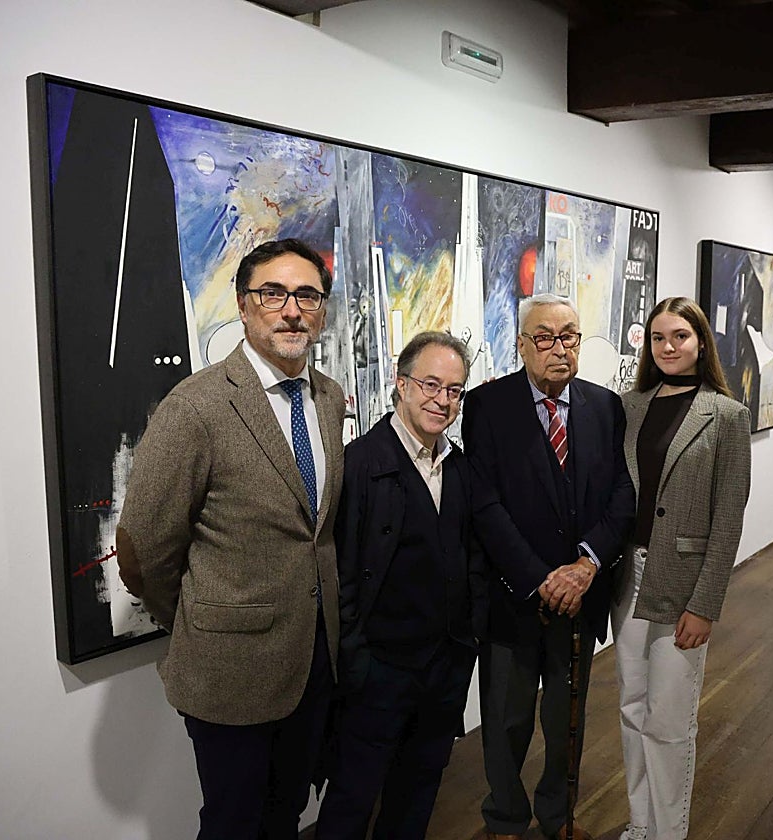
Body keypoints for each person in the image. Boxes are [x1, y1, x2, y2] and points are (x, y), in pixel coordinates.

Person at [116, 238, 345, 840]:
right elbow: (145, 549)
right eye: (273, 294)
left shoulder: (328, 398)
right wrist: (201, 616)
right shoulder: (196, 406)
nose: (291, 310)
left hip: (315, 658)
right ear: (245, 307)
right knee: (232, 822)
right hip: (230, 669)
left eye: (307, 296)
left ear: (321, 310)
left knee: (288, 810)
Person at [463, 294, 636, 840]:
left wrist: (585, 566)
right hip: (514, 597)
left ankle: (559, 816)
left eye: (569, 336)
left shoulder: (606, 407)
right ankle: (506, 820)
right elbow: (485, 506)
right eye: (544, 336)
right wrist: (541, 578)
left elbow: (622, 497)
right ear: (521, 345)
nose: (558, 348)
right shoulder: (486, 407)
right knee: (507, 722)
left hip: (580, 599)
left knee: (567, 721)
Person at [315, 331, 486, 840]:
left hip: (443, 670)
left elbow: (469, 558)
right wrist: (357, 661)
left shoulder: (456, 468)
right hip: (378, 674)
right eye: (431, 384)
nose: (442, 400)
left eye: (454, 390)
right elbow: (340, 572)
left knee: (416, 799)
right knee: (351, 800)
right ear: (401, 384)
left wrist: (466, 644)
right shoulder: (361, 464)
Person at [613, 296, 752, 840]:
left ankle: (669, 834)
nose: (668, 347)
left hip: (684, 583)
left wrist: (706, 604)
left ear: (700, 342)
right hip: (630, 577)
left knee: (670, 721)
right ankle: (639, 823)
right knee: (631, 707)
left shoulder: (726, 415)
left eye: (680, 337)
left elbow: (728, 517)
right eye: (658, 338)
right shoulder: (631, 407)